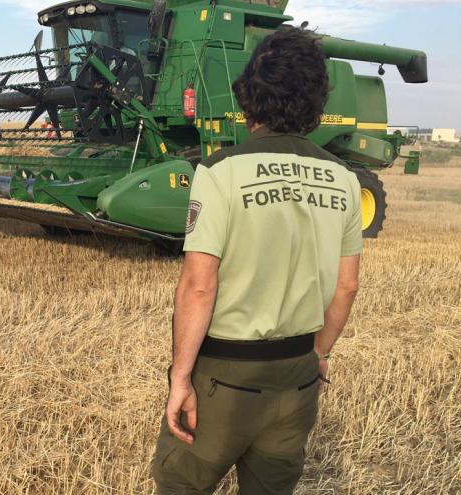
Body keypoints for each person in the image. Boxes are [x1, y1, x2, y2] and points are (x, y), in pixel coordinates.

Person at [151, 28, 363, 494]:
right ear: (317, 103)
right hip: (298, 376)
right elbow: (346, 287)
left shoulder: (220, 171)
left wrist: (180, 378)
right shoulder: (344, 181)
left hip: (224, 379)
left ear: (247, 98)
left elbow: (199, 286)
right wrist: (319, 355)